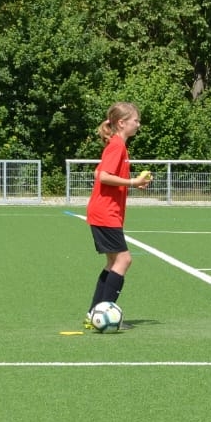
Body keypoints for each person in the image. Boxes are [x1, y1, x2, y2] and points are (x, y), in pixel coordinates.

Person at [83, 102, 153, 328]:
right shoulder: (117, 146)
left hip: (103, 211)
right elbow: (103, 176)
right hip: (106, 212)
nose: (138, 124)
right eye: (135, 120)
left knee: (113, 262)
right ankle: (103, 314)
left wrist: (133, 184)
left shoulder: (116, 144)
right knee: (124, 260)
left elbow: (98, 172)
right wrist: (132, 181)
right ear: (122, 123)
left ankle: (93, 313)